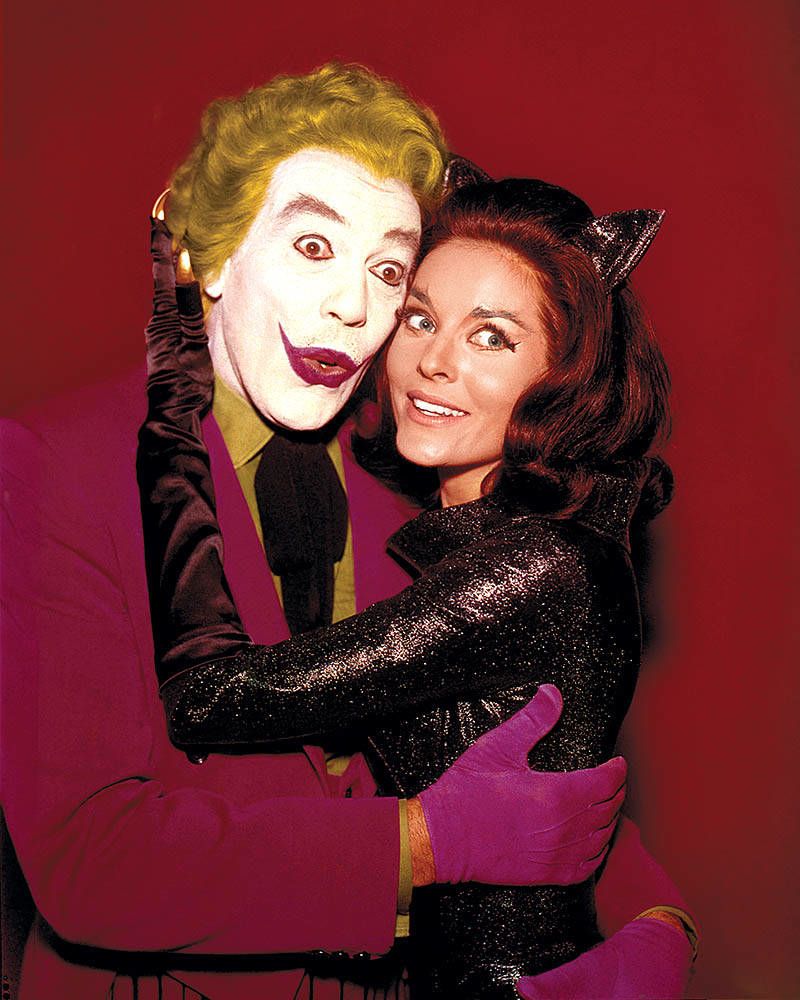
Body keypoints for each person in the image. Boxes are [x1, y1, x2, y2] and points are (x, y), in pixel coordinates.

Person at [0, 64, 692, 1000]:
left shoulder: (410, 486)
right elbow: (89, 862)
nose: (354, 308)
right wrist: (419, 846)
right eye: (314, 246)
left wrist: (657, 920)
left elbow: (528, 764)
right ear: (213, 257)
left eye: (387, 271)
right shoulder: (55, 468)